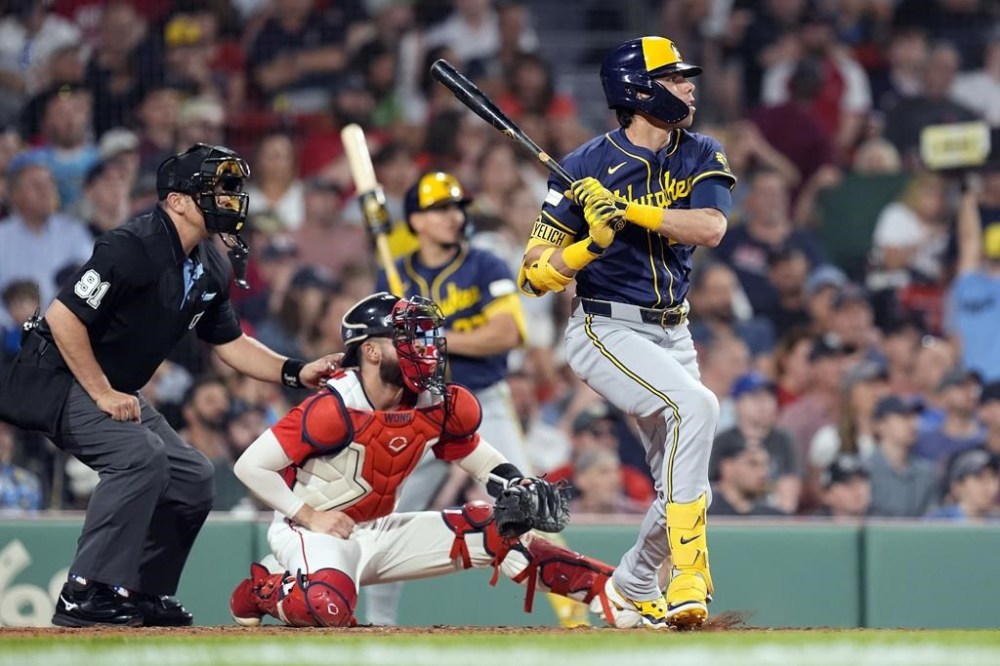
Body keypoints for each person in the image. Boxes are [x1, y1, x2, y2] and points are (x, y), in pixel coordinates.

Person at [0, 144, 339, 628]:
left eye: (231, 189)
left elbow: (229, 341)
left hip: (110, 382)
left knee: (192, 477)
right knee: (139, 456)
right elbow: (63, 318)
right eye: (216, 189)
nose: (229, 199)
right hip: (55, 375)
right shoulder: (132, 245)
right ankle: (83, 592)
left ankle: (141, 591)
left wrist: (294, 370)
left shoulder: (210, 262)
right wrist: (101, 393)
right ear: (177, 200)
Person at [228, 293, 629, 629]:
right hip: (314, 529)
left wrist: (514, 482)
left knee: (496, 532)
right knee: (326, 607)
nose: (422, 348)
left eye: (422, 337)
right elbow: (250, 466)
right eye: (404, 338)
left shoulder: (434, 403)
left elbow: (477, 457)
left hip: (381, 528)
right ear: (369, 350)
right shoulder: (333, 406)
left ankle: (613, 594)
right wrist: (311, 516)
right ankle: (263, 588)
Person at [517, 36, 737, 628]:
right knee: (697, 408)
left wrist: (628, 210)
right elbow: (533, 274)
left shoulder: (700, 150)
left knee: (684, 479)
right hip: (604, 329)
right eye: (675, 78)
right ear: (639, 90)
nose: (689, 86)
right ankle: (690, 574)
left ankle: (633, 584)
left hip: (674, 332)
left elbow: (711, 227)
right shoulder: (585, 163)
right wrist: (589, 245)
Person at [370, 171, 562, 624]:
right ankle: (377, 624)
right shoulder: (394, 273)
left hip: (483, 404)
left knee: (524, 504)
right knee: (386, 512)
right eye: (440, 209)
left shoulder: (484, 264)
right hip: (416, 409)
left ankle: (573, 609)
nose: (454, 216)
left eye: (457, 207)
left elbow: (509, 332)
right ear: (415, 219)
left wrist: (433, 337)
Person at [711, 372, 801, 514]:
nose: (763, 404)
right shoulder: (723, 441)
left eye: (768, 397)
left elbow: (788, 501)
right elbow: (712, 490)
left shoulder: (783, 440)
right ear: (737, 403)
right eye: (755, 397)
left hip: (769, 521)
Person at [863, 395, 937, 518]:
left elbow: (932, 519)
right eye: (904, 417)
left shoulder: (927, 472)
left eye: (915, 417)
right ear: (880, 425)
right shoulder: (864, 470)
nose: (913, 423)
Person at [707, 438, 786, 517]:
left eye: (766, 465)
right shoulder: (705, 511)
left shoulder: (773, 518)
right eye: (753, 463)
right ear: (727, 467)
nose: (763, 473)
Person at [926, 448, 999, 522]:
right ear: (957, 486)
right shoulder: (938, 521)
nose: (991, 487)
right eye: (980, 478)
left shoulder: (996, 522)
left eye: (993, 478)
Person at [815, 454, 871, 520]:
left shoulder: (883, 523)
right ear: (827, 494)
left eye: (862, 481)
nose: (858, 489)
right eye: (848, 483)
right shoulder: (811, 526)